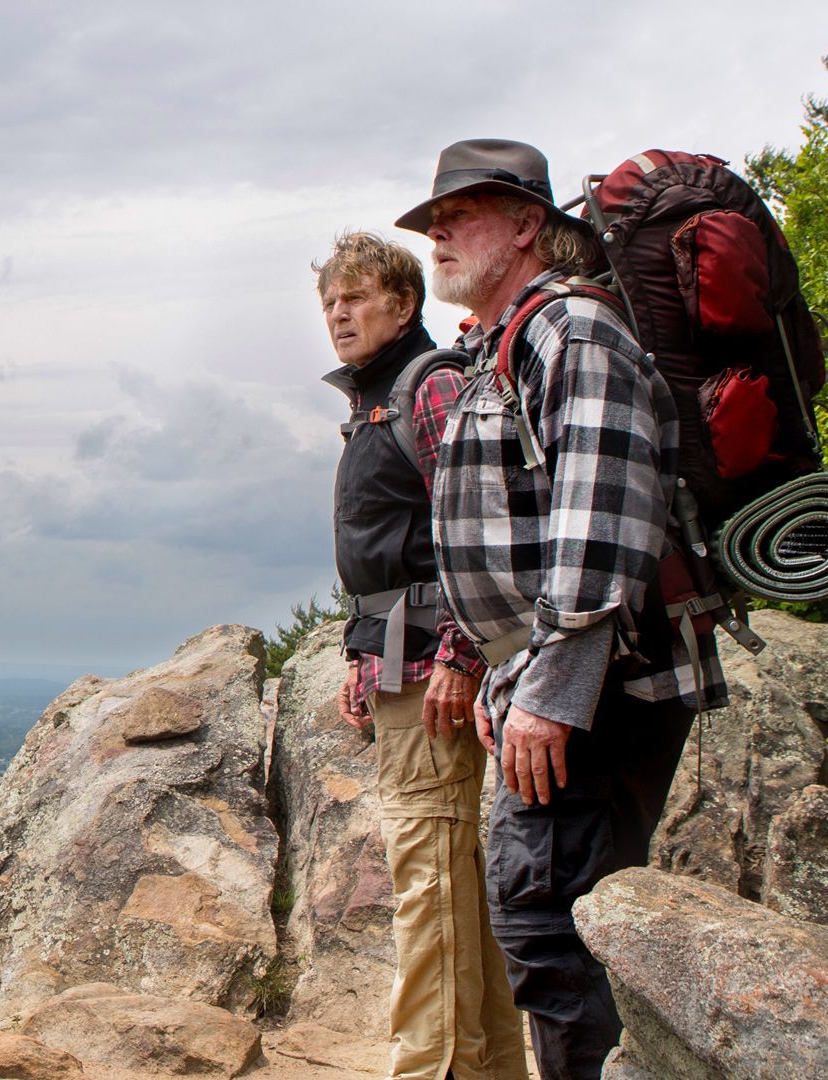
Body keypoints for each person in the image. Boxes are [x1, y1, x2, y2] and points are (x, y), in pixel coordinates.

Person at [395, 139, 727, 1080]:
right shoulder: (501, 343)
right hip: (549, 683)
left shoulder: (571, 332)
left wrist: (553, 689)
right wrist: (484, 662)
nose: (439, 235)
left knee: (555, 929)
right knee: (554, 924)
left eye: (462, 215)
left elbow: (601, 509)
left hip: (599, 687)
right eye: (433, 222)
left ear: (529, 224)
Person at [315, 231, 528, 1080]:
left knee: (428, 880)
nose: (339, 313)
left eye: (358, 297)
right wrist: (359, 655)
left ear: (403, 305)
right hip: (398, 663)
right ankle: (492, 1066)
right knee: (453, 885)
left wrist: (459, 652)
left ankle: (432, 1069)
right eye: (331, 301)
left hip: (436, 672)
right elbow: (390, 548)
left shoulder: (426, 386)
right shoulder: (379, 400)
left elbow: (474, 526)